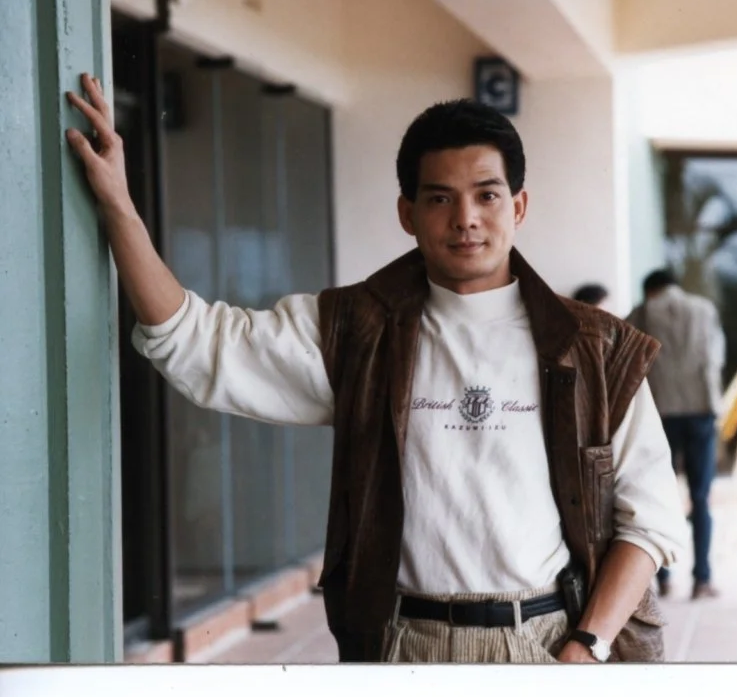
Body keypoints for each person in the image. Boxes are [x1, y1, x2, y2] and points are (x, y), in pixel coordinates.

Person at [65, 73, 687, 663]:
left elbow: (650, 519)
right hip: (405, 646)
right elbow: (195, 341)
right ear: (407, 214)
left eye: (487, 195)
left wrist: (587, 646)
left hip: (547, 644)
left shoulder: (594, 347)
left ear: (518, 206)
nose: (465, 218)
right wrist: (119, 205)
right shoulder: (355, 333)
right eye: (439, 198)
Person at [626, 270, 725, 601]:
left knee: (656, 496)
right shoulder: (705, 309)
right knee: (701, 497)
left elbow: (626, 358)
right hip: (701, 410)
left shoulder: (643, 312)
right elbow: (717, 356)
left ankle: (664, 579)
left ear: (650, 290)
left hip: (659, 414)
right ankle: (702, 579)